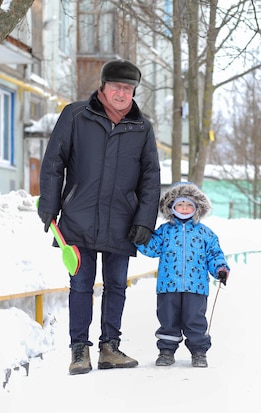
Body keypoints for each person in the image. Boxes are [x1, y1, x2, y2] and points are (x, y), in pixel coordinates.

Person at [37, 59, 161, 375]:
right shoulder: (76, 115)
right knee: (80, 284)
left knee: (117, 285)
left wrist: (146, 220)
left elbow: (151, 176)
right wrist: (49, 204)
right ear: (103, 86)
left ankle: (110, 348)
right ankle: (80, 351)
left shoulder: (142, 128)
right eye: (117, 86)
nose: (122, 93)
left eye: (128, 88)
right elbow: (54, 161)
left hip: (122, 219)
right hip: (78, 217)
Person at [135, 182, 230, 368]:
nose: (184, 209)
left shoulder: (205, 234)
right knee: (168, 318)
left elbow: (214, 254)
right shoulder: (164, 231)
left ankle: (199, 351)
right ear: (171, 207)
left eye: (189, 205)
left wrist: (220, 269)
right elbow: (153, 248)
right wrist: (140, 239)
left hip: (196, 286)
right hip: (168, 285)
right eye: (180, 205)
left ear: (197, 208)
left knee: (195, 319)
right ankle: (166, 351)